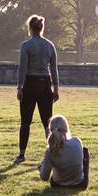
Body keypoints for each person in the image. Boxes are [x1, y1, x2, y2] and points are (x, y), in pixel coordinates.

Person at [15, 14, 59, 164]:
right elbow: (54, 69)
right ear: (41, 28)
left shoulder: (26, 46)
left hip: (30, 84)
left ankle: (21, 154)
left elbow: (23, 68)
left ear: (30, 28)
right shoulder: (49, 45)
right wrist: (56, 88)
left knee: (25, 122)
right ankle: (52, 152)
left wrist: (19, 87)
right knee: (47, 124)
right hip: (45, 84)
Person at [38, 114, 88, 190]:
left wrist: (41, 167)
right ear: (66, 129)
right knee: (85, 151)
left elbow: (44, 177)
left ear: (50, 130)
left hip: (58, 184)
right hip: (79, 184)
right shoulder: (77, 141)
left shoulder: (50, 151)